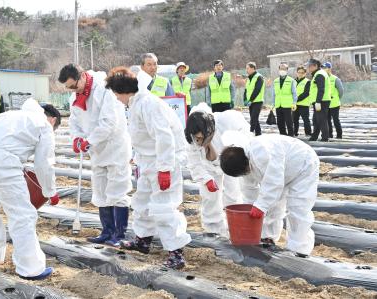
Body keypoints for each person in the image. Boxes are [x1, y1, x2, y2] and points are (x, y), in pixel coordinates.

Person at [105, 66, 191, 269]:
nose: (116, 98)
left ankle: (176, 252)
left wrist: (164, 168)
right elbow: (141, 136)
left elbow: (164, 136)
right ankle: (143, 240)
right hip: (148, 160)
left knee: (164, 206)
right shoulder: (136, 103)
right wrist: (138, 159)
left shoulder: (148, 104)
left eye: (116, 94)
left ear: (124, 91)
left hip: (163, 160)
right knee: (142, 200)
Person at [0, 98, 61, 280]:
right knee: (22, 214)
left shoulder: (8, 115)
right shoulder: (44, 124)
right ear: (52, 119)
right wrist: (50, 192)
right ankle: (31, 268)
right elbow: (44, 164)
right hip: (1, 161)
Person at [58, 64, 132, 246]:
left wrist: (89, 140)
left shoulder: (105, 90)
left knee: (117, 190)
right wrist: (77, 138)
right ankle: (106, 231)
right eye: (68, 88)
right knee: (100, 190)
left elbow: (109, 123)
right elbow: (75, 122)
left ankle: (119, 234)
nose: (72, 90)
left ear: (82, 76)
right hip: (97, 151)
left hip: (115, 148)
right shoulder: (75, 97)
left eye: (74, 86)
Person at [220, 134, 319, 257]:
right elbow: (249, 189)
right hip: (283, 172)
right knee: (271, 206)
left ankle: (299, 250)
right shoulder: (243, 163)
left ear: (245, 163)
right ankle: (267, 238)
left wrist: (261, 205)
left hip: (302, 165)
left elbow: (273, 182)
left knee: (298, 209)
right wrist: (252, 209)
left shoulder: (262, 151)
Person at [185, 103, 249, 237]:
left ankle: (235, 225)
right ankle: (213, 229)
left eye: (203, 138)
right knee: (210, 197)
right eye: (198, 139)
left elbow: (245, 135)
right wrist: (206, 179)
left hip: (230, 161)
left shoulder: (227, 122)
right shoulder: (191, 138)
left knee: (233, 192)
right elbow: (194, 163)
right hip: (209, 169)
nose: (200, 141)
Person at [307, 59, 331, 142]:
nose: (308, 68)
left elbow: (321, 89)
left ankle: (325, 138)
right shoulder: (318, 74)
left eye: (310, 66)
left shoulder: (319, 74)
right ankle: (314, 136)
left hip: (321, 101)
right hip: (320, 101)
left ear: (315, 66)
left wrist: (318, 101)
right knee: (316, 120)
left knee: (321, 119)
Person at [271, 63, 297, 136]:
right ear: (279, 70)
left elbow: (294, 93)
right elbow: (273, 94)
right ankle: (283, 136)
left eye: (284, 69)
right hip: (278, 105)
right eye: (281, 69)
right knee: (280, 122)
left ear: (287, 70)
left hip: (288, 105)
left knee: (289, 122)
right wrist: (273, 104)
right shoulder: (275, 81)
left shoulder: (291, 80)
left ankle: (291, 136)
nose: (282, 70)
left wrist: (294, 103)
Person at [322, 62, 343, 139]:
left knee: (336, 120)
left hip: (334, 104)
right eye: (323, 68)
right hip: (325, 104)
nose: (323, 70)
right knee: (327, 121)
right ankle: (329, 135)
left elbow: (341, 91)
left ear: (330, 69)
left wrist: (337, 98)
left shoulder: (335, 79)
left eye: (325, 68)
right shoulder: (322, 78)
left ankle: (339, 135)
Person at [243, 62, 265, 136]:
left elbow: (257, 90)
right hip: (250, 102)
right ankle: (258, 134)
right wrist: (245, 99)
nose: (246, 70)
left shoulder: (259, 77)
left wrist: (251, 100)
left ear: (253, 68)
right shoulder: (249, 78)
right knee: (255, 119)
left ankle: (250, 133)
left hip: (257, 102)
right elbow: (246, 90)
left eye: (247, 68)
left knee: (253, 118)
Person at [293, 66, 312, 136]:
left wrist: (296, 99)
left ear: (305, 73)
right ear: (296, 73)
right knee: (294, 120)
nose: (300, 74)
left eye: (302, 73)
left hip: (304, 104)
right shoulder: (293, 81)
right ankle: (294, 133)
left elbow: (306, 93)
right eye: (299, 72)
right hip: (295, 105)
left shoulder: (308, 82)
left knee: (306, 120)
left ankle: (308, 133)